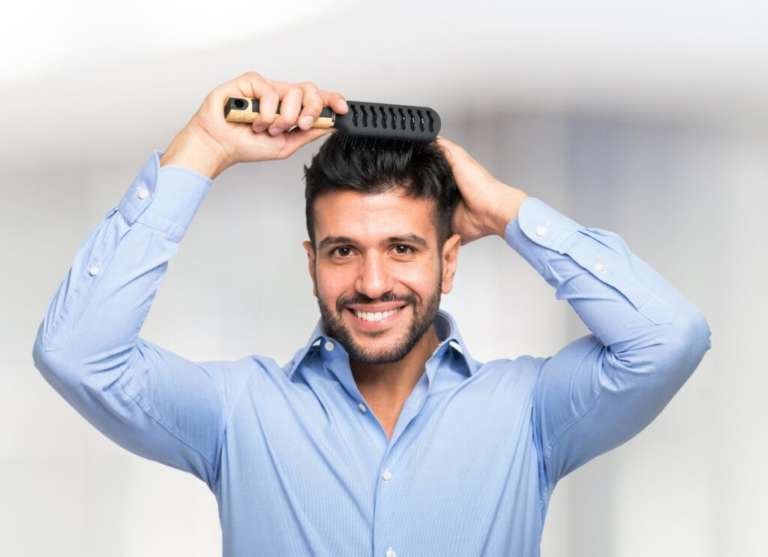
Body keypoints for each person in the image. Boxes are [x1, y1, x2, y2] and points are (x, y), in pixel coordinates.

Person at [32, 71, 712, 557]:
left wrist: (507, 210)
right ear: (311, 264)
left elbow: (668, 338)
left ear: (449, 260)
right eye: (344, 251)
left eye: (402, 248)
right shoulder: (238, 414)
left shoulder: (529, 412)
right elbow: (76, 352)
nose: (373, 282)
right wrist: (203, 149)